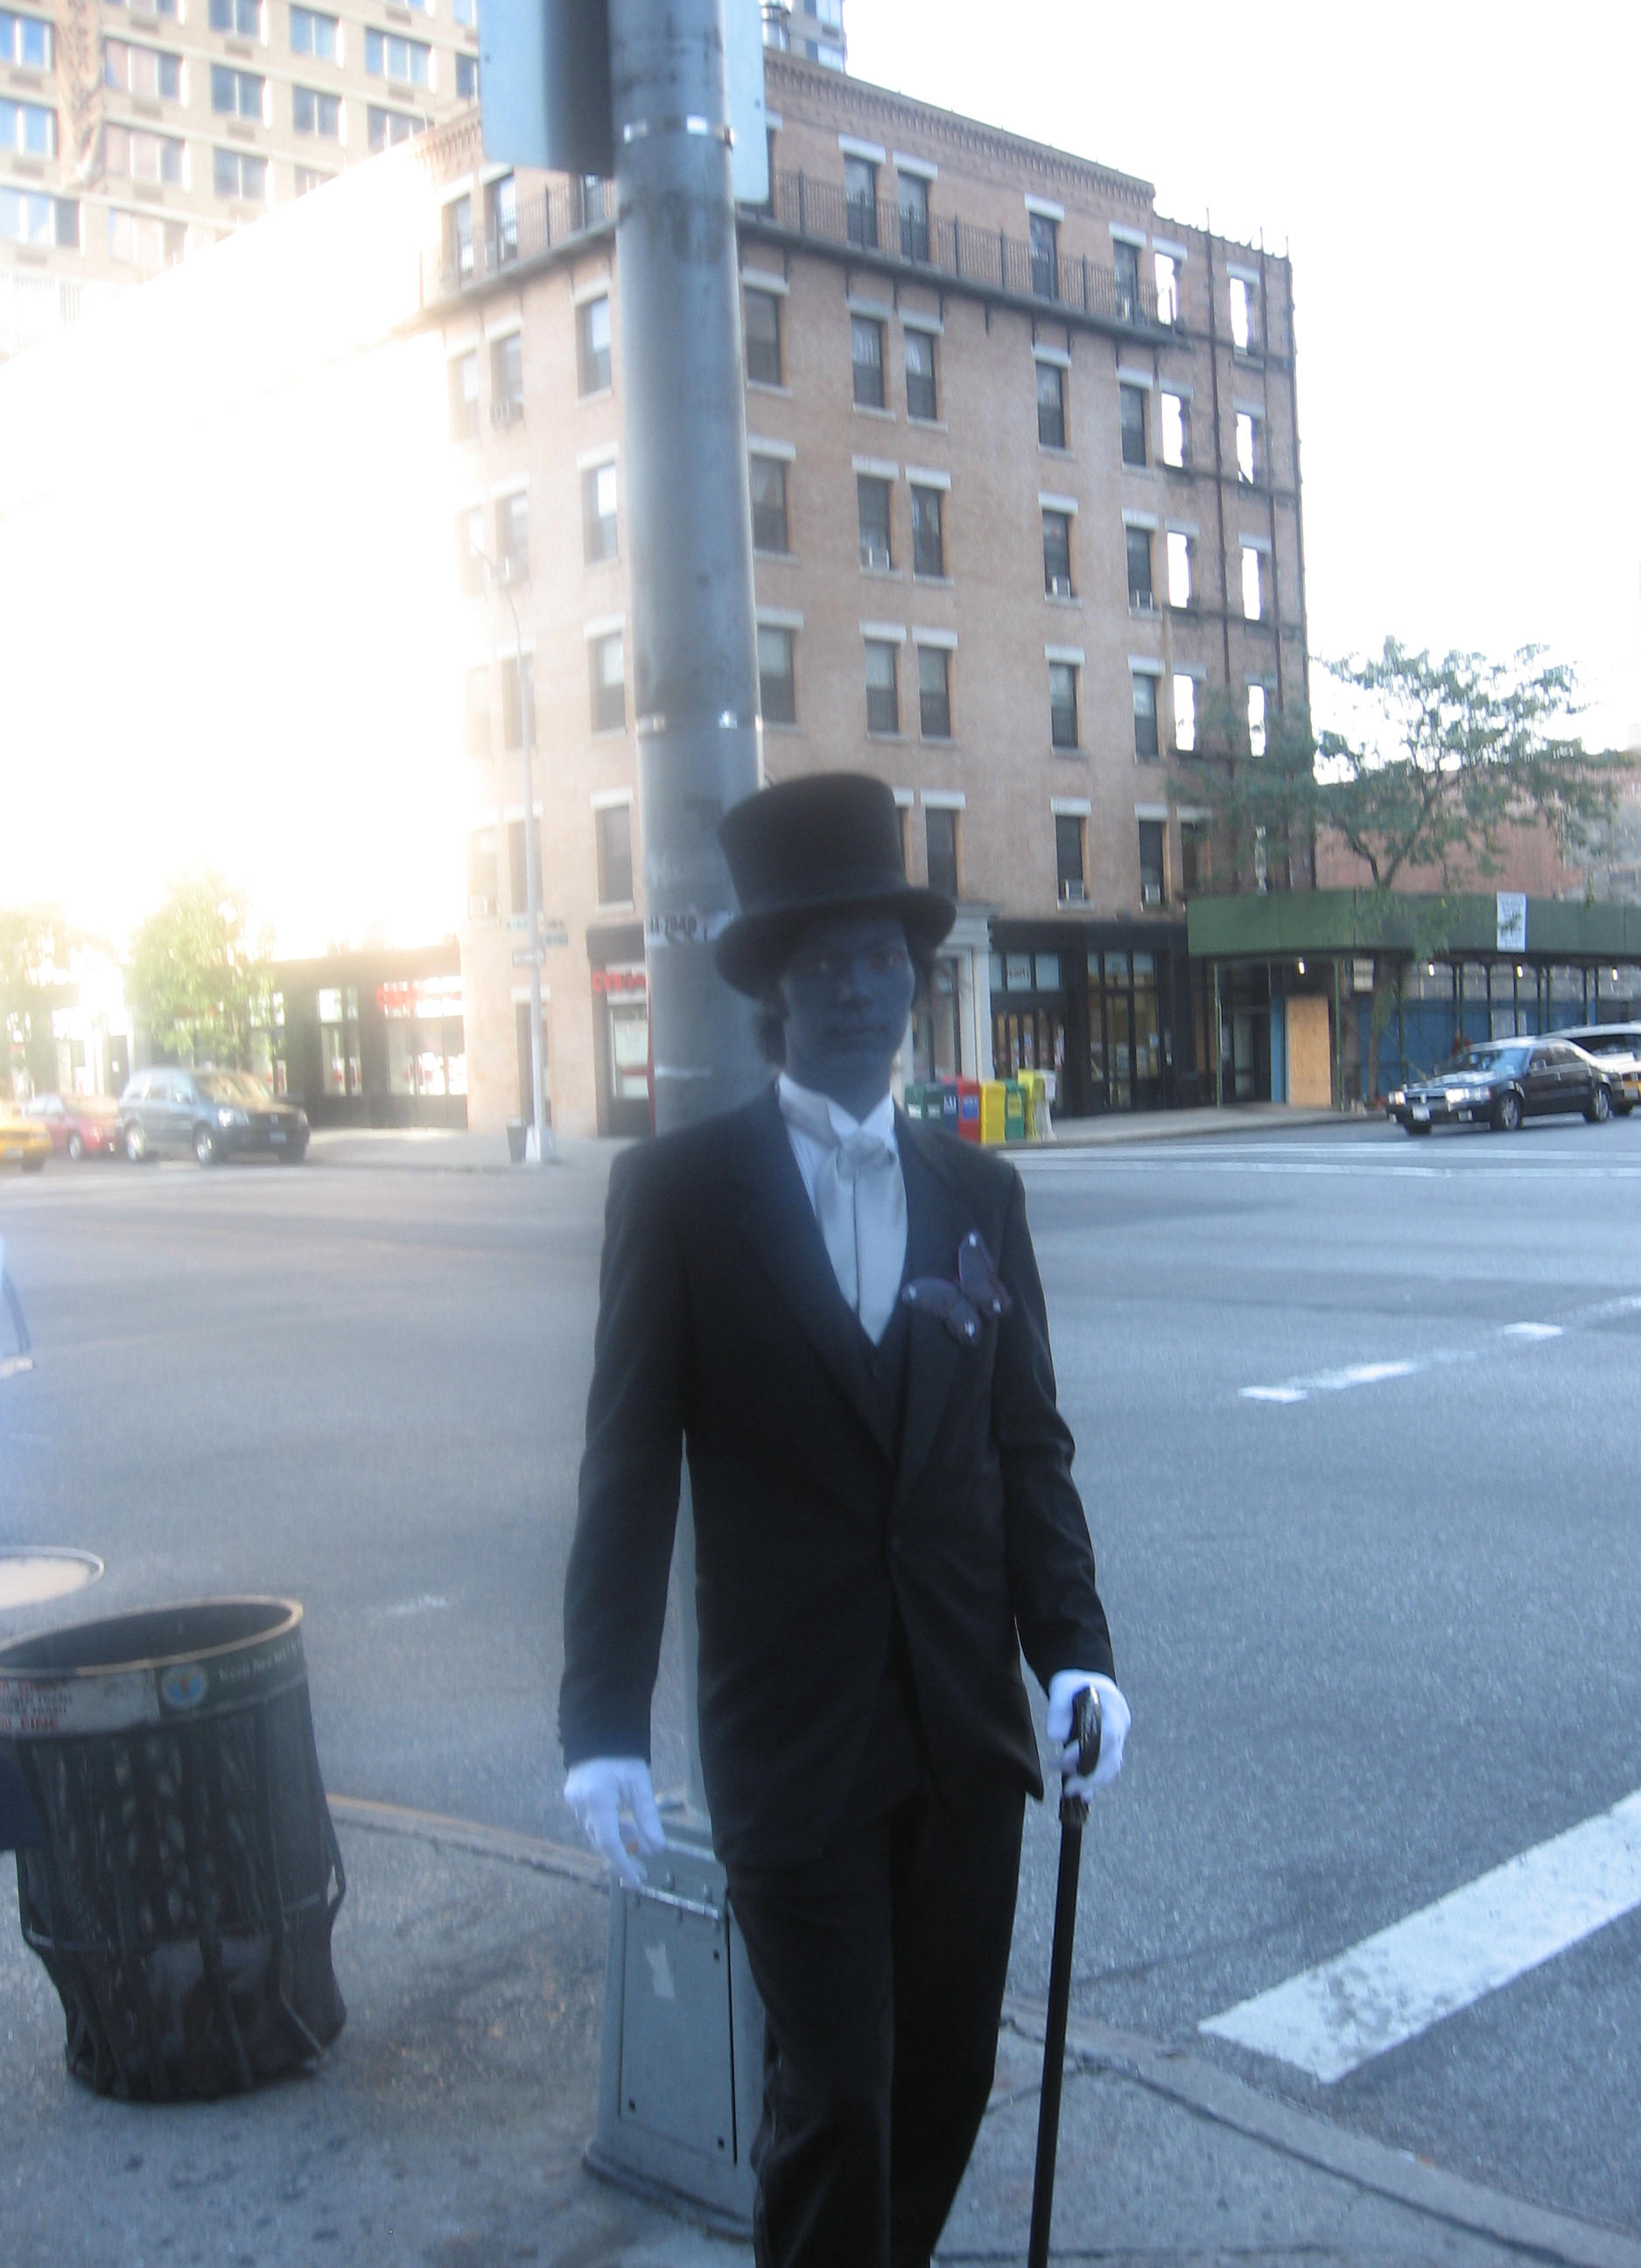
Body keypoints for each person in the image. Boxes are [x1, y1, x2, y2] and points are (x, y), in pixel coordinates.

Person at [559, 771, 1130, 2268]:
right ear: (777, 987)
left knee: (942, 2082)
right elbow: (628, 1468)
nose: (864, 987)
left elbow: (1027, 1447)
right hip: (792, 1745)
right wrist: (602, 1722)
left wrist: (1075, 1652)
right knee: (837, 2096)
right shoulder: (680, 1195)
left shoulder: (979, 1195)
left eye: (886, 957)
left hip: (960, 1731)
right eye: (828, 961)